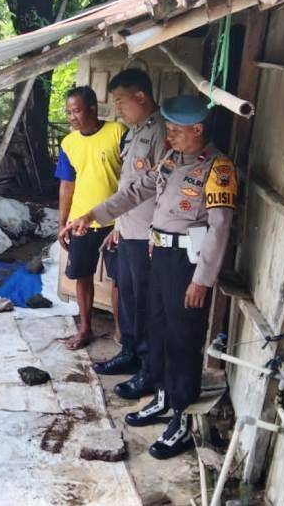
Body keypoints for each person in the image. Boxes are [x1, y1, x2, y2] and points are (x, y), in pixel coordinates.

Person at [60, 94, 237, 460]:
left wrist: (202, 280)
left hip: (187, 264)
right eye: (167, 129)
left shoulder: (218, 168)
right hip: (159, 254)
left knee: (182, 337)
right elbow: (136, 191)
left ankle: (182, 418)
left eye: (175, 131)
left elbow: (220, 229)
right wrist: (92, 215)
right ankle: (162, 396)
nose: (168, 137)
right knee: (155, 328)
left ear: (197, 129)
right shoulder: (172, 159)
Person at [92, 70, 167, 406]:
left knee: (147, 303)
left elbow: (158, 187)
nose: (117, 108)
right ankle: (130, 353)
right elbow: (128, 185)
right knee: (128, 298)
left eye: (121, 101)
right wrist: (118, 227)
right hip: (128, 230)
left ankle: (148, 370)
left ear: (140, 97)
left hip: (148, 234)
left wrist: (153, 233)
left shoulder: (162, 131)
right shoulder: (136, 131)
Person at [55, 86, 127, 350]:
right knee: (82, 274)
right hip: (80, 223)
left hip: (115, 222)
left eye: (76, 111)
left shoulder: (117, 132)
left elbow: (131, 179)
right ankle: (85, 329)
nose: (71, 117)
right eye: (68, 112)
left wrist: (125, 220)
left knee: (120, 279)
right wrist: (62, 223)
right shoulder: (69, 143)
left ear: (93, 109)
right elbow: (67, 185)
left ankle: (121, 332)